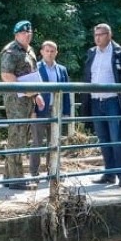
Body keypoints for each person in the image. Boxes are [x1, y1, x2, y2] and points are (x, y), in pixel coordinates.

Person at [82, 23, 121, 188]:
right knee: (104, 139)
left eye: (101, 34)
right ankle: (109, 174)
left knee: (116, 139)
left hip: (113, 101)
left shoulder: (120, 52)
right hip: (95, 101)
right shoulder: (91, 53)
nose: (97, 38)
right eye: (95, 35)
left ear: (109, 35)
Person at [0, 20, 45, 190]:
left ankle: (8, 176)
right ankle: (17, 179)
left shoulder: (30, 51)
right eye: (24, 32)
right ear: (16, 34)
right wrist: (28, 91)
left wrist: (36, 94)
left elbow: (33, 74)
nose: (28, 35)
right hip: (16, 101)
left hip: (28, 100)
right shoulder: (10, 51)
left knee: (20, 137)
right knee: (17, 138)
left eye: (30, 32)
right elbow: (6, 76)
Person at [31, 40, 71, 179]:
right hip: (40, 111)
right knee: (37, 142)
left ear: (56, 53)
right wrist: (33, 111)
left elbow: (66, 92)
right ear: (41, 52)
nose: (49, 53)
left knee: (54, 143)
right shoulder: (34, 68)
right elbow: (31, 91)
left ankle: (52, 171)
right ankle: (34, 173)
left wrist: (66, 112)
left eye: (52, 51)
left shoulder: (62, 69)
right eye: (47, 51)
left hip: (56, 110)